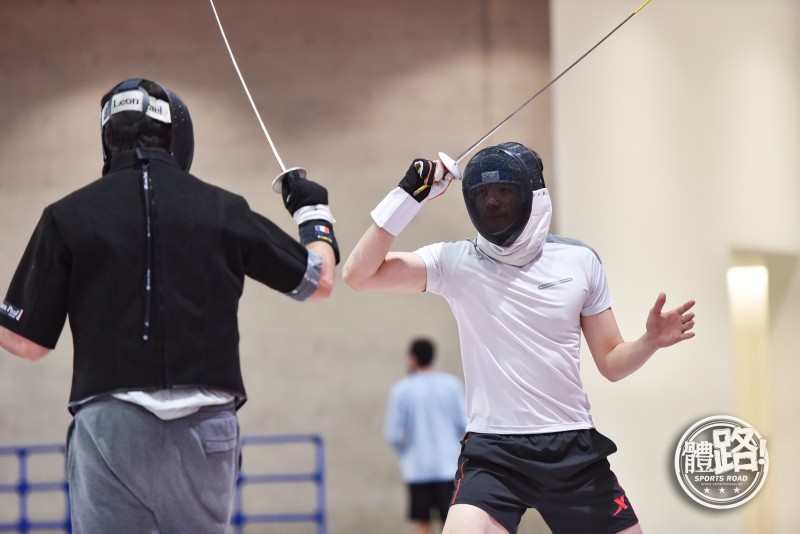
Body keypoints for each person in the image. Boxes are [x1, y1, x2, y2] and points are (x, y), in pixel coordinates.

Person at [0, 78, 339, 533]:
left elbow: (24, 341)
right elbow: (318, 283)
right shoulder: (224, 208)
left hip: (111, 430)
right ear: (176, 136)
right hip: (207, 430)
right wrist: (312, 212)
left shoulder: (67, 215)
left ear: (107, 139)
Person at [343, 142, 696, 534]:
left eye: (504, 191)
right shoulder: (456, 262)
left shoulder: (579, 262)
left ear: (534, 193)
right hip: (493, 454)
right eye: (482, 194)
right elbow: (359, 275)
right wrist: (409, 195)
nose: (492, 203)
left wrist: (649, 341)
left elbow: (611, 362)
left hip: (571, 449)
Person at [384, 337, 467, 534]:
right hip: (448, 466)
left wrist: (407, 453)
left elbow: (393, 433)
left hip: (417, 468)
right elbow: (464, 425)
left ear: (412, 358)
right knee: (452, 522)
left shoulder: (401, 389)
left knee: (423, 523)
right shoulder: (451, 385)